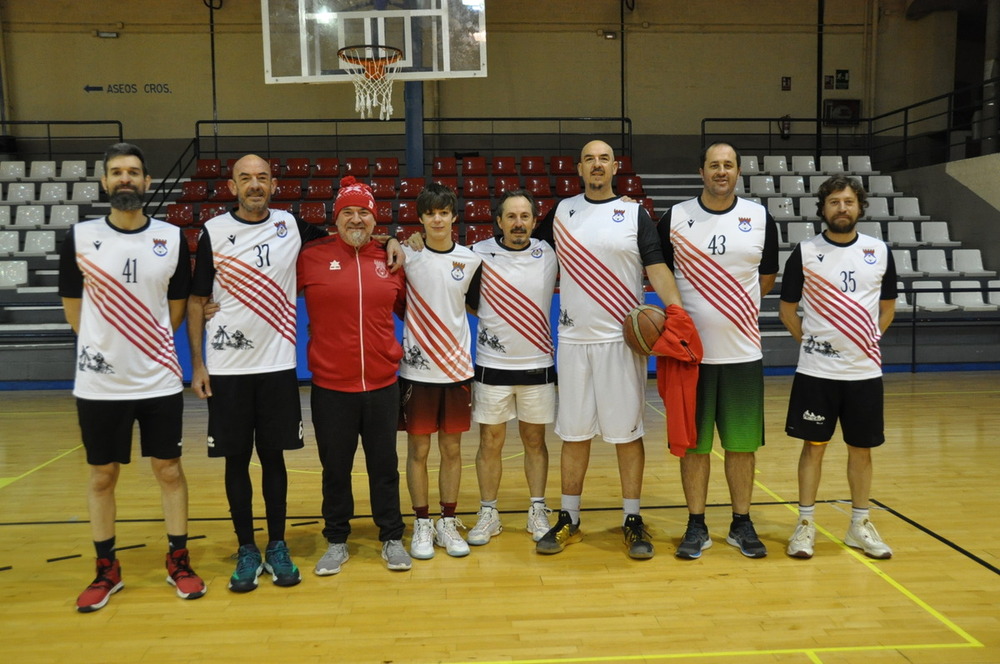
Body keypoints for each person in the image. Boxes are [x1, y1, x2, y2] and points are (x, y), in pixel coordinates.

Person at [59, 142, 205, 612]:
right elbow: (75, 313)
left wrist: (145, 350)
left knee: (169, 470)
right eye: (117, 172)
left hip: (159, 380)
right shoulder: (79, 238)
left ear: (146, 183)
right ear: (105, 182)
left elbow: (177, 310)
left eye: (134, 172)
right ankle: (107, 569)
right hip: (99, 385)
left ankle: (178, 560)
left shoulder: (171, 238)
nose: (126, 179)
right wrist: (109, 352)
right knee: (103, 476)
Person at [534, 140, 684, 560]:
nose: (597, 165)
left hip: (622, 343)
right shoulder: (563, 212)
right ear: (579, 168)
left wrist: (676, 314)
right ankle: (569, 517)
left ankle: (632, 517)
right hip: (573, 341)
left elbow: (656, 267)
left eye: (604, 159)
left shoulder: (635, 214)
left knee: (626, 433)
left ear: (615, 167)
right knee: (574, 433)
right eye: (589, 159)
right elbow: (521, 246)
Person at [187, 154, 330, 592]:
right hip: (228, 369)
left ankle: (278, 544)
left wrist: (400, 241)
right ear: (232, 186)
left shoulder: (291, 226)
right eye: (246, 179)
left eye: (262, 178)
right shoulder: (213, 231)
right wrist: (197, 365)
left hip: (277, 368)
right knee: (236, 460)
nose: (254, 185)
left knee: (273, 459)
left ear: (272, 185)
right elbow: (196, 301)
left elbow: (348, 239)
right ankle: (247, 546)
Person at [657, 142, 779, 560]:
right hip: (691, 357)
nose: (721, 171)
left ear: (739, 172)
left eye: (728, 165)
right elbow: (657, 270)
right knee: (694, 446)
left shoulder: (760, 218)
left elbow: (766, 277)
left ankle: (742, 523)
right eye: (714, 165)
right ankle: (696, 523)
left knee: (742, 445)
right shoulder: (675, 217)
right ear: (701, 171)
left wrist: (731, 309)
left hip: (743, 353)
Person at [297, 176, 412, 574]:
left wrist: (400, 240)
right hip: (331, 387)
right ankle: (336, 540)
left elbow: (412, 308)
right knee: (335, 469)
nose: (356, 218)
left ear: (375, 218)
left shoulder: (391, 259)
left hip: (382, 384)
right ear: (336, 218)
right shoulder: (310, 256)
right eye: (348, 211)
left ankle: (392, 537)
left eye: (364, 211)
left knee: (385, 466)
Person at [779, 175, 897, 560]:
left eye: (848, 202)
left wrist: (867, 341)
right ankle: (806, 524)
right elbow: (786, 309)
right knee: (813, 447)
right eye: (834, 202)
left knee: (861, 449)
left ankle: (859, 525)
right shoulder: (806, 251)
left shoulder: (879, 251)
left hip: (864, 374)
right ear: (823, 208)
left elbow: (888, 307)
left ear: (859, 207)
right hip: (817, 373)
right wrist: (810, 344)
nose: (842, 208)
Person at [462, 189, 559, 545]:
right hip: (491, 367)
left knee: (535, 441)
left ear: (534, 221)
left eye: (525, 217)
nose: (518, 224)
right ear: (499, 221)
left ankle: (537, 509)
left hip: (538, 367)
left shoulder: (549, 251)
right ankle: (488, 512)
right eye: (511, 217)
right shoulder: (477, 254)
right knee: (490, 441)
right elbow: (465, 298)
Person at [399, 182, 483, 560]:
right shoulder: (406, 255)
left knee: (452, 449)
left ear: (453, 217)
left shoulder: (470, 260)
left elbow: (481, 307)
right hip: (416, 371)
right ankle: (421, 522)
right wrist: (393, 238)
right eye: (430, 213)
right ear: (420, 218)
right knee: (418, 450)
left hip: (457, 370)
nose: (437, 218)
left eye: (443, 212)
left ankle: (447, 521)